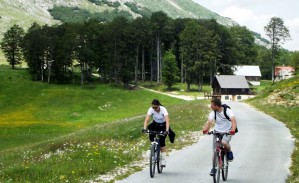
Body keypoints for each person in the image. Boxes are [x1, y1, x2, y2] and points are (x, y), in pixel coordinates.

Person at [202, 98, 237, 176]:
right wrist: (205, 130)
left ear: (216, 105)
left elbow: (233, 121)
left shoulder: (227, 111)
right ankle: (214, 168)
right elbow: (209, 122)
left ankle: (229, 152)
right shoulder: (213, 113)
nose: (210, 107)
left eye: (211, 105)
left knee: (224, 142)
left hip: (227, 132)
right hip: (217, 132)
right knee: (215, 150)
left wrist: (233, 130)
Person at [143, 99, 170, 167]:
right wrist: (144, 128)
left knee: (162, 142)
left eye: (156, 107)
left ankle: (163, 159)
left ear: (159, 106)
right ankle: (153, 148)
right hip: (155, 124)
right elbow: (147, 119)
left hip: (163, 125)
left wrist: (166, 130)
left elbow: (167, 120)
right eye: (153, 107)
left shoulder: (163, 109)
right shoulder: (151, 109)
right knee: (151, 133)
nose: (154, 109)